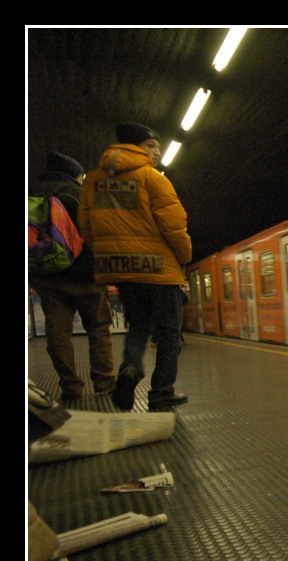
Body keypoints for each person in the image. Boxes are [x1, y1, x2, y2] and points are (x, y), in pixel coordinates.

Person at [79, 122, 192, 412]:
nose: (157, 152)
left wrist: (111, 254)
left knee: (138, 327)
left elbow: (87, 228)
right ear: (132, 147)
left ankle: (130, 369)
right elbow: (173, 226)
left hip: (124, 270)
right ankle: (161, 393)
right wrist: (183, 256)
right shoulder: (151, 178)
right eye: (151, 145)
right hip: (159, 269)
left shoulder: (94, 182)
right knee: (169, 333)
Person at [28, 152, 117, 402]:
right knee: (99, 328)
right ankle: (104, 383)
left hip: (47, 277)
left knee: (58, 333)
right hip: (85, 275)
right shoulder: (81, 194)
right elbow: (101, 232)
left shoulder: (31, 194)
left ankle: (71, 387)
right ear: (76, 175)